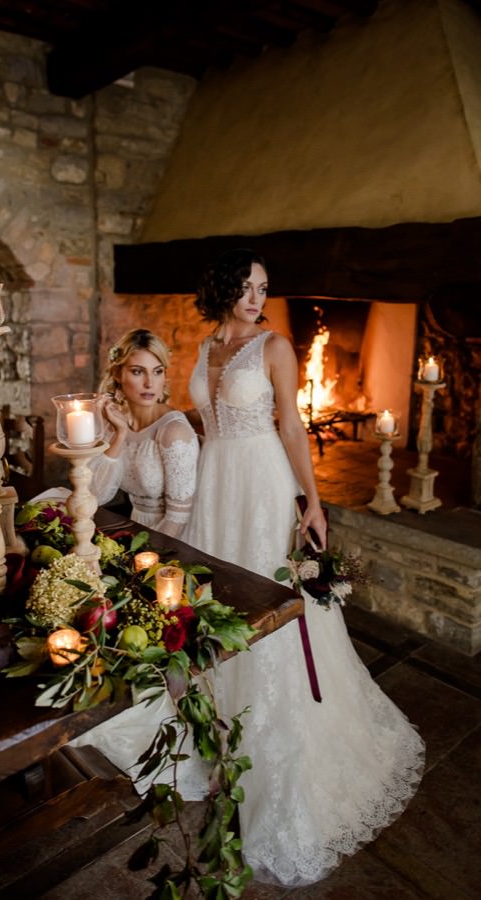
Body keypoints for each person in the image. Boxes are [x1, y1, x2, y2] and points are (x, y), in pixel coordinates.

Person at [182, 248, 425, 886]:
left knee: (270, 609)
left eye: (265, 287)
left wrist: (311, 502)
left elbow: (291, 423)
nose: (258, 297)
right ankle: (222, 743)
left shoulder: (276, 345)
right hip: (215, 487)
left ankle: (276, 757)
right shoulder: (207, 344)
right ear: (224, 288)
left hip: (262, 485)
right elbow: (202, 419)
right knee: (218, 609)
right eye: (247, 286)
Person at [89, 328, 199, 538]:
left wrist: (143, 557)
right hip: (134, 529)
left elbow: (177, 518)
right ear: (117, 374)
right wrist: (120, 434)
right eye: (138, 371)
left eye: (157, 371)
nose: (149, 383)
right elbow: (95, 495)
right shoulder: (113, 422)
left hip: (175, 540)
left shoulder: (174, 432)